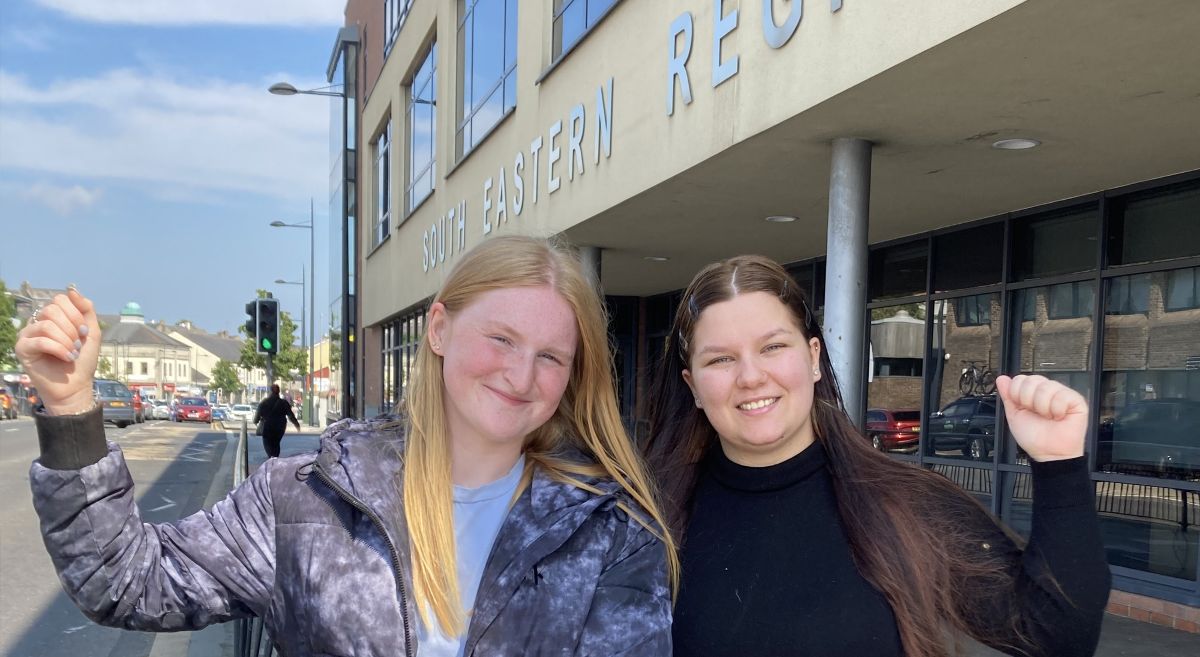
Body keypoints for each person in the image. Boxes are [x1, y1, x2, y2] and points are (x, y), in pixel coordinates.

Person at [19, 237, 677, 657]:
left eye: (550, 356)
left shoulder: (610, 534)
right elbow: (126, 582)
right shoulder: (304, 500)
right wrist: (71, 409)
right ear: (440, 328)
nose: (521, 374)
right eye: (501, 339)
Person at [643, 255, 1111, 657]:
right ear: (693, 386)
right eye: (720, 359)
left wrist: (1059, 463)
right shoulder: (646, 520)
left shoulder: (903, 504)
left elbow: (1055, 635)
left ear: (812, 356)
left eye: (773, 347)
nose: (750, 376)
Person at [254, 383, 300, 458]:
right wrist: (297, 425)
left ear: (270, 391)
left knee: (268, 443)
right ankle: (275, 457)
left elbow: (257, 416)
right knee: (276, 442)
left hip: (267, 426)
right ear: (278, 392)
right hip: (280, 427)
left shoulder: (264, 402)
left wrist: (256, 422)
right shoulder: (284, 403)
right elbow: (291, 416)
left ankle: (271, 458)